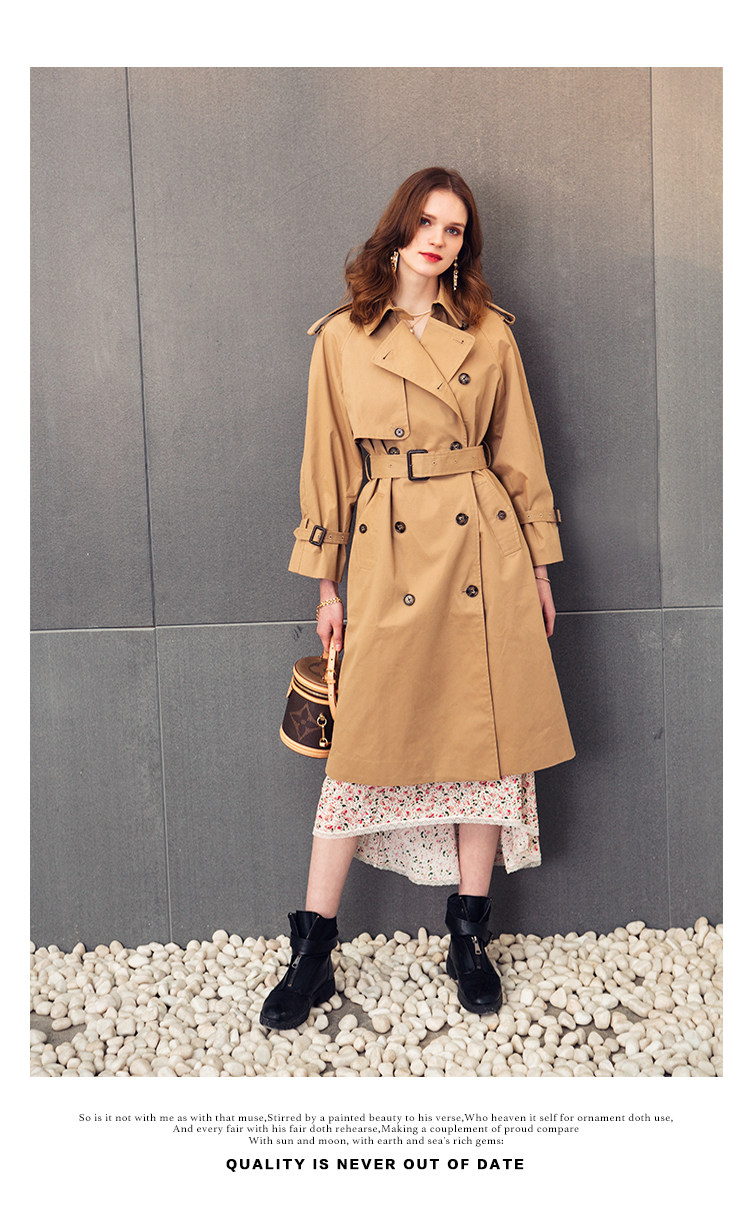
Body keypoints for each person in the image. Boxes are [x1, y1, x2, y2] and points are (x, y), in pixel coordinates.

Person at [260, 167, 574, 1031]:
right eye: (427, 222)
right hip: (387, 546)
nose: (439, 239)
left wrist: (539, 569)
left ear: (466, 245)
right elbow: (326, 461)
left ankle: (468, 936)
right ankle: (313, 949)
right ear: (398, 231)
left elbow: (521, 454)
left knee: (486, 746)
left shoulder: (490, 333)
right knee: (358, 752)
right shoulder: (343, 336)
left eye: (455, 228)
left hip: (484, 545)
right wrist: (327, 583)